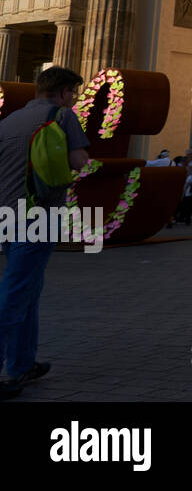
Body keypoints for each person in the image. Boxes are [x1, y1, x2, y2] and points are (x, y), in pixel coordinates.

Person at [0, 66, 90, 400]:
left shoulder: (7, 121)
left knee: (28, 291)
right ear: (65, 92)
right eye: (73, 93)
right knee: (14, 293)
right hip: (39, 214)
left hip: (7, 215)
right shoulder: (62, 117)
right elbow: (80, 161)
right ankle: (6, 370)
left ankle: (23, 362)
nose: (74, 99)